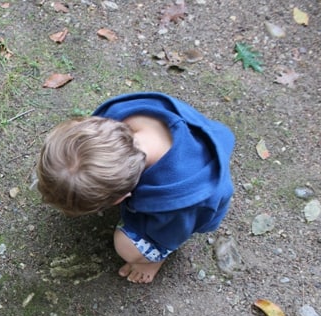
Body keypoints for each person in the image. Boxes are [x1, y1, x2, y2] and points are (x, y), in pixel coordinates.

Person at [37, 92, 234, 283]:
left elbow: (173, 234)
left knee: (127, 247)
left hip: (193, 209)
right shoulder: (116, 118)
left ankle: (154, 260)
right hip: (192, 142)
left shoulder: (181, 202)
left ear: (121, 199)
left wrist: (158, 248)